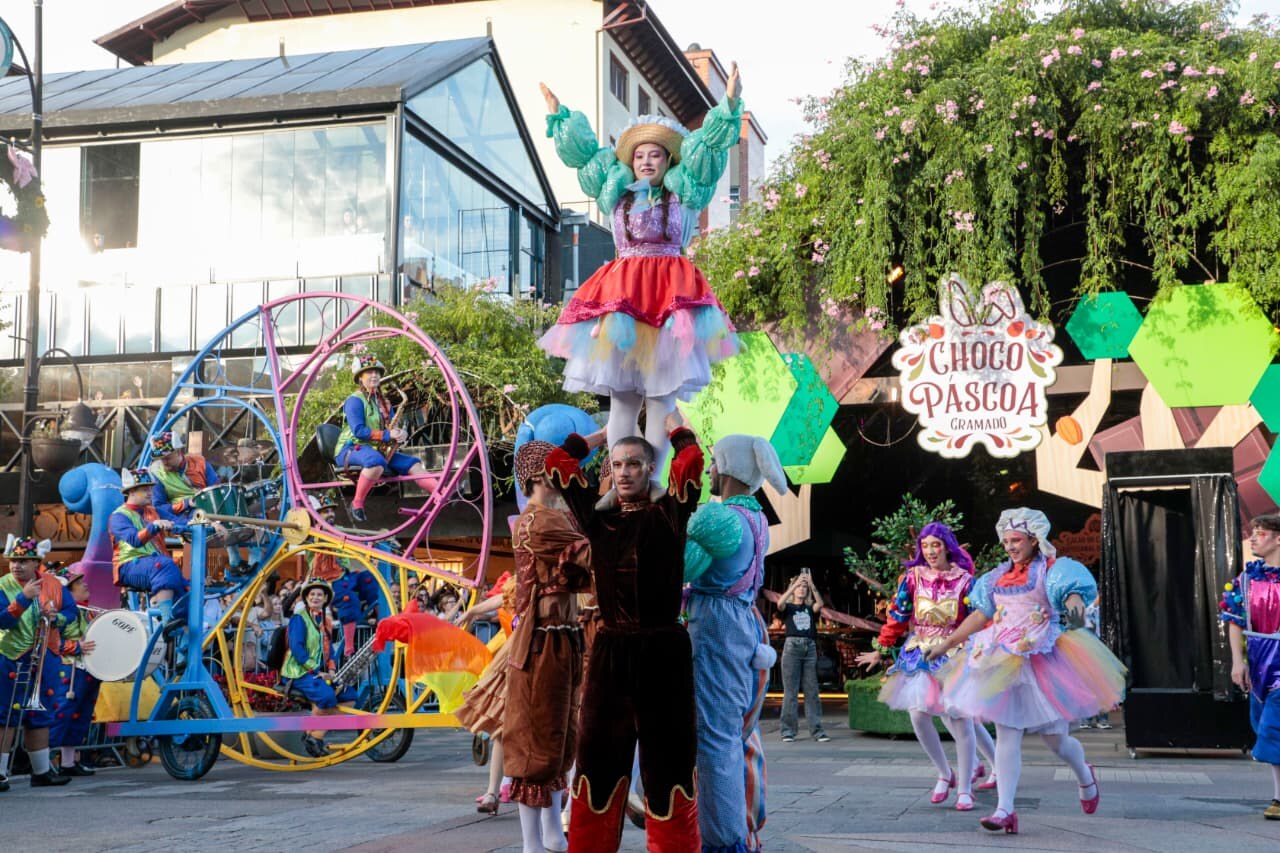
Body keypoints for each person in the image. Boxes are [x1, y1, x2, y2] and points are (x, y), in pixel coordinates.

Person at [537, 69, 743, 467]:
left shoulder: (686, 193)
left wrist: (728, 106)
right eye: (640, 155)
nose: (647, 161)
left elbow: (710, 153)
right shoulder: (613, 192)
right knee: (623, 404)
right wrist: (561, 116)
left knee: (661, 405)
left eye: (655, 155)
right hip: (624, 296)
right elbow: (585, 155)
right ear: (631, 162)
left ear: (668, 161)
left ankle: (651, 482)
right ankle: (619, 478)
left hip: (670, 300)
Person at [542, 413, 706, 850]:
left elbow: (690, 460)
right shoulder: (598, 522)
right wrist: (602, 434)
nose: (625, 472)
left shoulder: (670, 515)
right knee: (595, 761)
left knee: (669, 766)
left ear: (649, 468)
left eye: (633, 463)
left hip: (663, 654)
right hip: (611, 653)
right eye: (616, 465)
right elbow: (558, 463)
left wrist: (673, 422)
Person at [927, 508, 1127, 834]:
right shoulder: (995, 577)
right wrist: (948, 642)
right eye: (1006, 540)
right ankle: (1005, 809)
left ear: (1035, 539)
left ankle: (1084, 774)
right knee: (1007, 732)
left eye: (1016, 540)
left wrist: (1080, 636)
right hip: (1002, 660)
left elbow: (1076, 609)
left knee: (1056, 741)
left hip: (1043, 661)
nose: (1010, 546)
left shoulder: (1054, 570)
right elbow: (980, 616)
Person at [683, 434, 785, 852]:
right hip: (741, 622)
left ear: (725, 469)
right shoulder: (757, 519)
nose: (708, 471)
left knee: (714, 739)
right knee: (729, 735)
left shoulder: (718, 518)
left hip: (715, 627)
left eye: (712, 463)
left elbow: (677, 564)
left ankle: (726, 842)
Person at [854, 523, 997, 810]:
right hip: (920, 652)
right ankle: (946, 774)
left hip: (955, 653)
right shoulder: (912, 578)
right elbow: (898, 615)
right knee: (919, 716)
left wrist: (989, 652)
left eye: (936, 545)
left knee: (960, 719)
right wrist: (880, 651)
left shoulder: (966, 582)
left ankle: (966, 789)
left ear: (947, 547)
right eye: (926, 545)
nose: (930, 551)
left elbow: (981, 619)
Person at [501, 440, 592, 853]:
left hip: (561, 638)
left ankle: (551, 835)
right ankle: (532, 843)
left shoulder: (553, 517)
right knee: (539, 740)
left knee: (558, 737)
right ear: (539, 475)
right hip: (544, 642)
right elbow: (594, 550)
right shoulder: (541, 522)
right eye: (555, 467)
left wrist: (607, 434)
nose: (567, 472)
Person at [0, 537, 77, 789]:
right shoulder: (2, 585)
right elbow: (4, 621)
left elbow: (71, 611)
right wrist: (23, 599)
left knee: (39, 714)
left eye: (23, 561)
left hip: (44, 657)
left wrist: (57, 619)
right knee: (6, 716)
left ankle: (41, 772)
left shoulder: (54, 584)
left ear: (37, 562)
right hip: (11, 657)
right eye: (13, 560)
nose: (16, 566)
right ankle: (0, 773)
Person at [1220, 513, 1280, 820]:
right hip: (1259, 659)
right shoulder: (1247, 578)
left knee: (1273, 727)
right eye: (1253, 533)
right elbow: (1234, 621)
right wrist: (1238, 660)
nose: (1253, 538)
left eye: (1261, 533)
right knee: (1263, 725)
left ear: (1278, 538)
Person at [335, 353, 439, 524]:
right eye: (369, 372)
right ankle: (357, 503)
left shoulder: (384, 402)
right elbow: (359, 431)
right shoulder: (354, 401)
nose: (374, 375)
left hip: (376, 448)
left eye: (377, 372)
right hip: (351, 448)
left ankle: (441, 494)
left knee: (412, 463)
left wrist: (400, 434)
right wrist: (386, 435)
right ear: (360, 377)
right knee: (376, 462)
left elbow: (391, 427)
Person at [456, 573, 518, 815]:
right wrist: (467, 615)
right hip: (515, 664)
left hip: (544, 663)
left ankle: (562, 787)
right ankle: (493, 791)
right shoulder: (517, 589)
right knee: (502, 729)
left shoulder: (557, 585)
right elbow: (493, 603)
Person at [280, 578, 357, 757]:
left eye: (319, 595)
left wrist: (330, 670)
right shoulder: (299, 619)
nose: (315, 597)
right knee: (327, 696)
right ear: (306, 598)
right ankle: (314, 738)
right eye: (312, 594)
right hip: (298, 672)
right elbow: (297, 650)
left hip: (318, 672)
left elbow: (329, 651)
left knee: (350, 695)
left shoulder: (326, 621)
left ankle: (312, 736)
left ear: (325, 599)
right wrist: (316, 671)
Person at [306, 494, 381, 658]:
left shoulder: (339, 530)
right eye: (325, 512)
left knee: (369, 579)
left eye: (332, 510)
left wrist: (370, 542)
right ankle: (348, 648)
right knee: (349, 599)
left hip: (343, 575)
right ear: (317, 515)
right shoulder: (312, 533)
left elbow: (354, 541)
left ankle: (382, 619)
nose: (331, 514)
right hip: (325, 582)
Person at [110, 468, 187, 624]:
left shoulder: (153, 511)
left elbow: (181, 522)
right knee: (165, 565)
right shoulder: (118, 516)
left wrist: (208, 523)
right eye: (145, 489)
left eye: (151, 489)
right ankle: (166, 620)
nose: (150, 493)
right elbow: (134, 540)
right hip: (129, 565)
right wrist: (154, 526)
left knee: (187, 589)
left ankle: (184, 639)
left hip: (153, 563)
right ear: (131, 492)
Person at [50, 567, 100, 776]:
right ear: (67, 592)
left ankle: (68, 763)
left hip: (87, 668)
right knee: (62, 714)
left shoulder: (87, 612)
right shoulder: (62, 614)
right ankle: (45, 765)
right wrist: (75, 647)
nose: (85, 585)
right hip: (68, 668)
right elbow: (51, 642)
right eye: (79, 584)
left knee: (80, 716)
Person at [776, 573, 830, 743]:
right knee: (790, 692)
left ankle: (817, 731)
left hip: (809, 647)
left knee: (811, 691)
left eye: (803, 587)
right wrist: (793, 584)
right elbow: (779, 603)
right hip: (792, 647)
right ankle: (788, 731)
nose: (802, 589)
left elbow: (820, 604)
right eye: (800, 586)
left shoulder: (809, 608)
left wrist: (811, 583)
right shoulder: (789, 607)